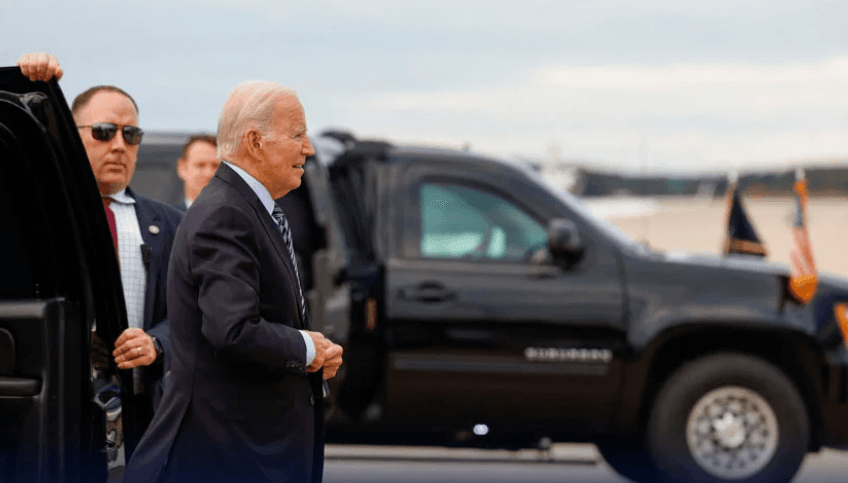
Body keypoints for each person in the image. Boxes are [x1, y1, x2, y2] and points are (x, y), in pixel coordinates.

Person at [123, 81, 343, 483]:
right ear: (255, 141)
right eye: (297, 135)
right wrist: (308, 346)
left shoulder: (248, 210)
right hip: (225, 456)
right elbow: (233, 329)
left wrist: (307, 350)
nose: (307, 149)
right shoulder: (225, 214)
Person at [18, 53, 183, 430]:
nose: (120, 145)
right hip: (54, 405)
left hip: (144, 407)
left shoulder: (171, 224)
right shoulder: (40, 215)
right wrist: (33, 83)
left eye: (132, 134)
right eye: (104, 131)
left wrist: (156, 344)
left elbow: (192, 310)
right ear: (68, 135)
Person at [176, 134, 220, 209]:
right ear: (182, 168)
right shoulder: (167, 219)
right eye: (200, 165)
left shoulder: (241, 219)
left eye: (215, 166)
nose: (209, 174)